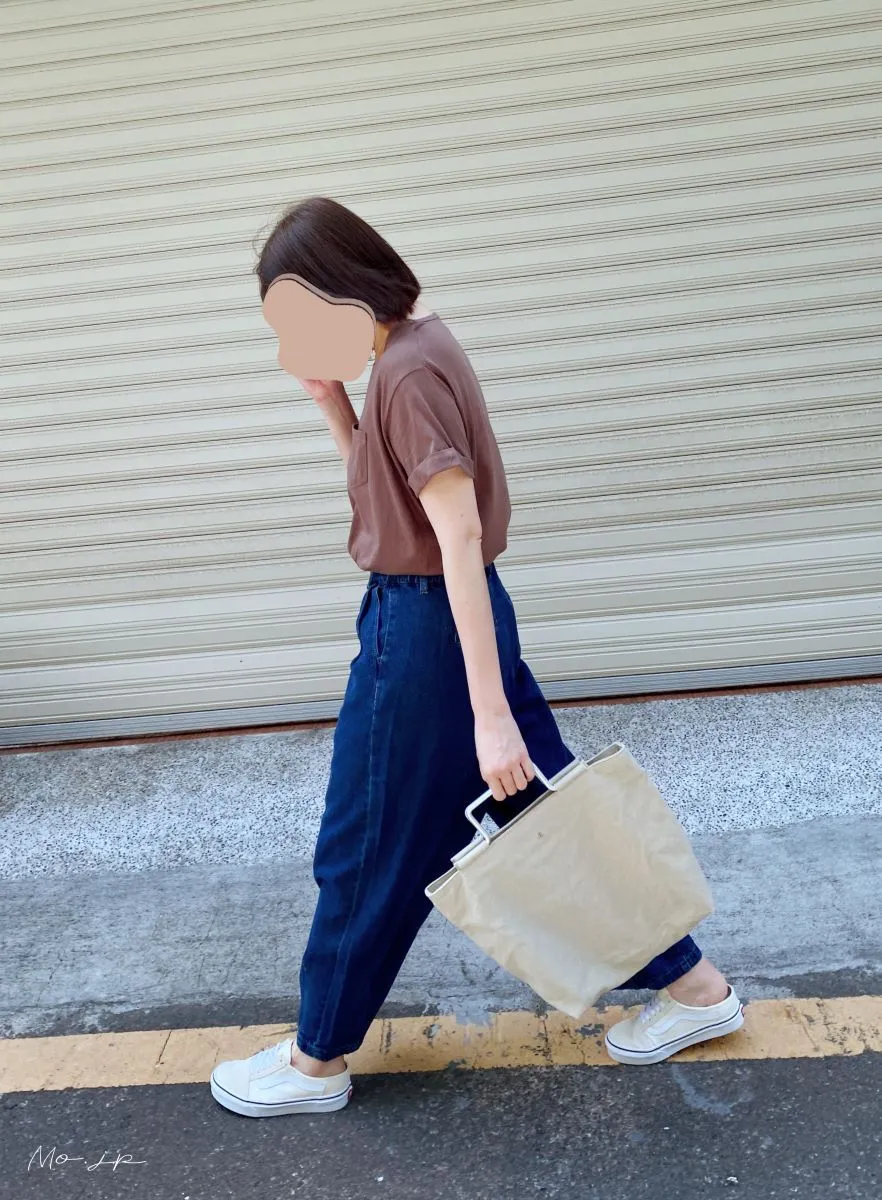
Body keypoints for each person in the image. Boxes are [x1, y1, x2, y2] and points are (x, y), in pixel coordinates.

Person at [210, 197, 744, 1118]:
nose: (292, 341)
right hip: (447, 618)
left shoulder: (409, 374)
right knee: (545, 817)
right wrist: (332, 404)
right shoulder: (414, 346)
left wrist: (488, 714)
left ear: (342, 288)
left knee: (365, 845)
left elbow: (453, 537)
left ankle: (314, 1062)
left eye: (298, 318)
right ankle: (697, 989)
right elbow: (392, 497)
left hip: (426, 631)